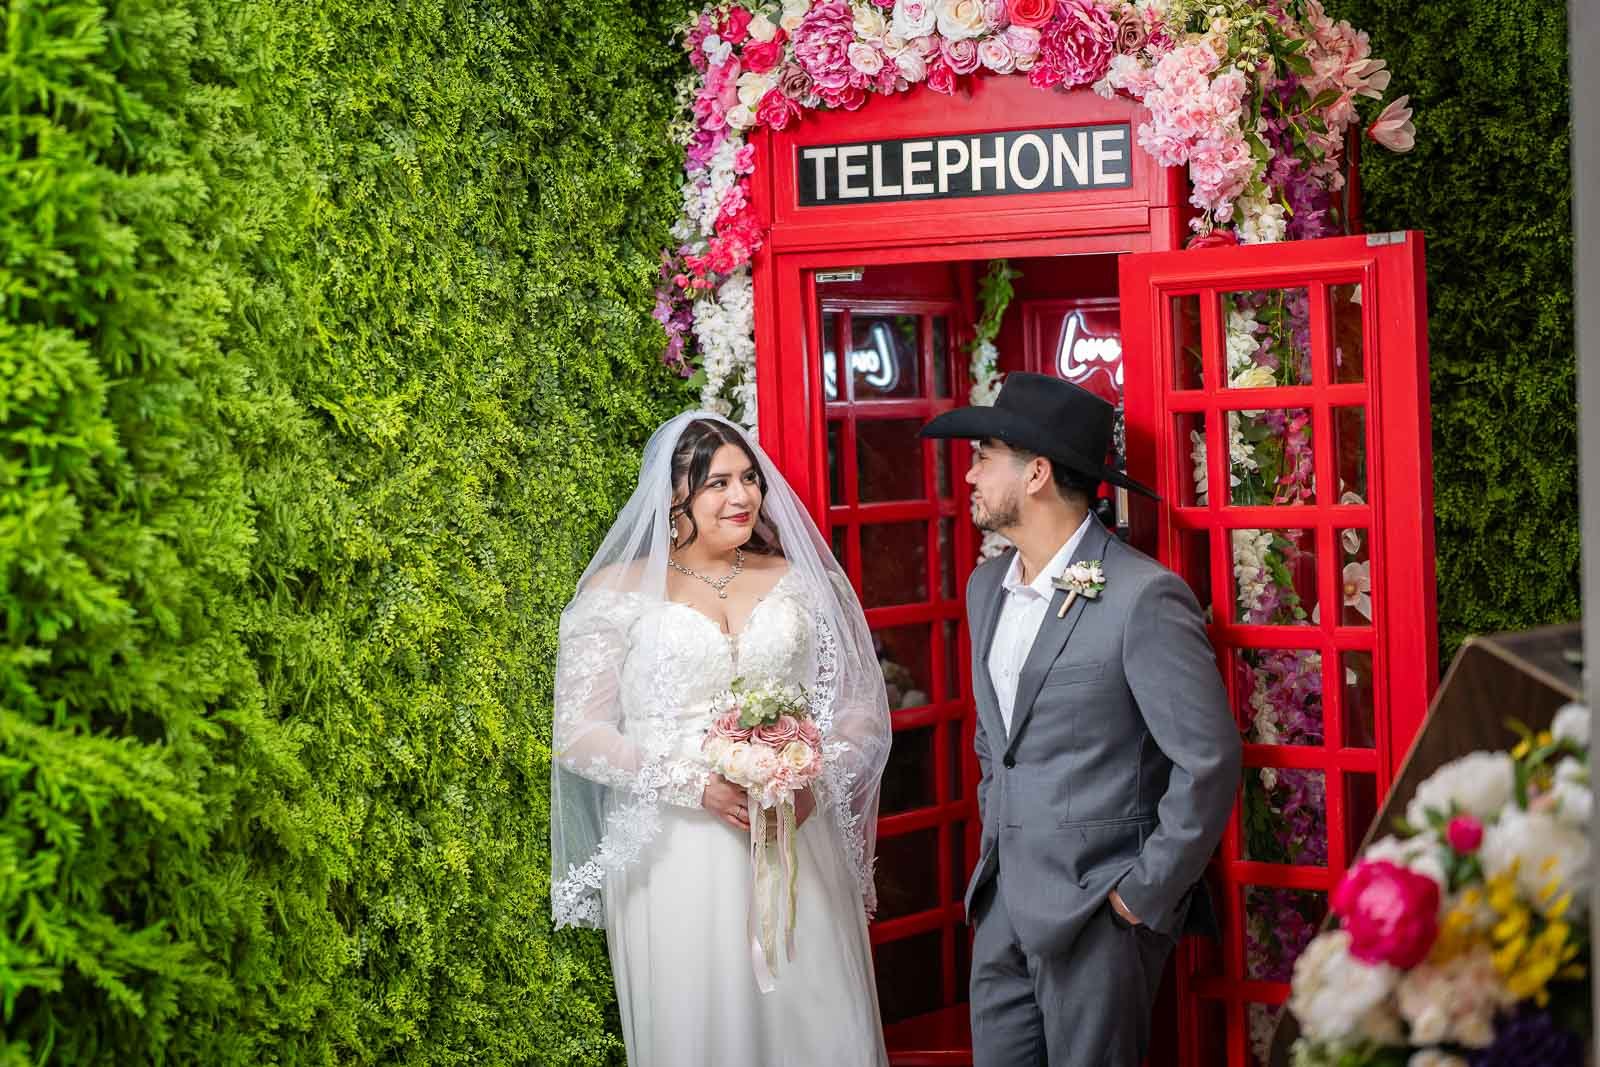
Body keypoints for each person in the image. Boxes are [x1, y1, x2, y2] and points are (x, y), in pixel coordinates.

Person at [550, 411, 892, 1067]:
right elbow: (580, 733)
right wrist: (692, 784)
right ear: (673, 494)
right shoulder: (614, 592)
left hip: (793, 837)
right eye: (716, 482)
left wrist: (813, 779)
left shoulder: (796, 580)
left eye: (749, 478)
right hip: (677, 849)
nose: (741, 496)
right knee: (708, 1021)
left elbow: (859, 707)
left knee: (815, 1014)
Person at [919, 373, 1241, 1067]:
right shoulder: (985, 588)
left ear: (1036, 473)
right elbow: (995, 741)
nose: (969, 473)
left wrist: (1139, 896)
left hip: (1099, 914)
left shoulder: (1141, 596)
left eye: (983, 454)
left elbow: (1209, 761)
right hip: (1001, 904)